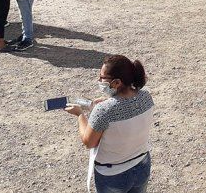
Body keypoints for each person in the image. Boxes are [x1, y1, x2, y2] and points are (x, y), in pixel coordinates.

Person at [64, 55, 154, 193]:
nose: (99, 80)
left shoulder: (104, 110)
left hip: (114, 174)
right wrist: (108, 101)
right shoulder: (146, 97)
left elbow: (89, 142)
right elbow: (126, 108)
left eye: (102, 78)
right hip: (142, 164)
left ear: (117, 82)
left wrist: (80, 115)